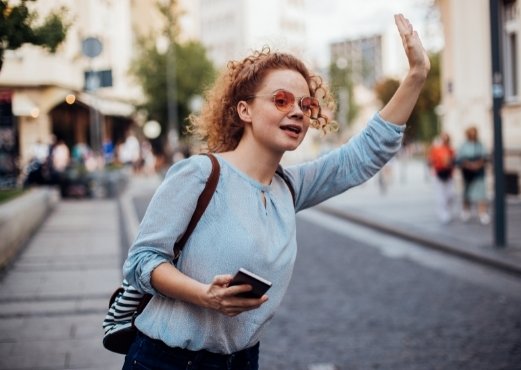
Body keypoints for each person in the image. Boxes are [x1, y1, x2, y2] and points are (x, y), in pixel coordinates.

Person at [122, 14, 430, 370]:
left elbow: (363, 155)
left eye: (306, 105)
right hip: (167, 362)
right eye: (281, 100)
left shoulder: (289, 187)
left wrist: (416, 75)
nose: (297, 111)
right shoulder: (198, 174)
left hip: (242, 361)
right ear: (244, 109)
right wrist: (205, 296)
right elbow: (141, 262)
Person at [456, 126, 490, 224]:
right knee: (467, 193)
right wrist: (468, 165)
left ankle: (482, 213)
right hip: (467, 173)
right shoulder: (463, 145)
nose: (473, 134)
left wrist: (477, 165)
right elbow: (459, 158)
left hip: (479, 172)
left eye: (474, 132)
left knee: (481, 194)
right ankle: (466, 211)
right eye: (471, 132)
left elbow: (484, 157)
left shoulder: (480, 144)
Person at [427, 132, 456, 223]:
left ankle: (447, 210)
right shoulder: (436, 149)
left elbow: (454, 160)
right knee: (441, 195)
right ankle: (443, 212)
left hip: (449, 174)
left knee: (450, 194)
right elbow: (430, 160)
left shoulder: (451, 149)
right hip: (439, 174)